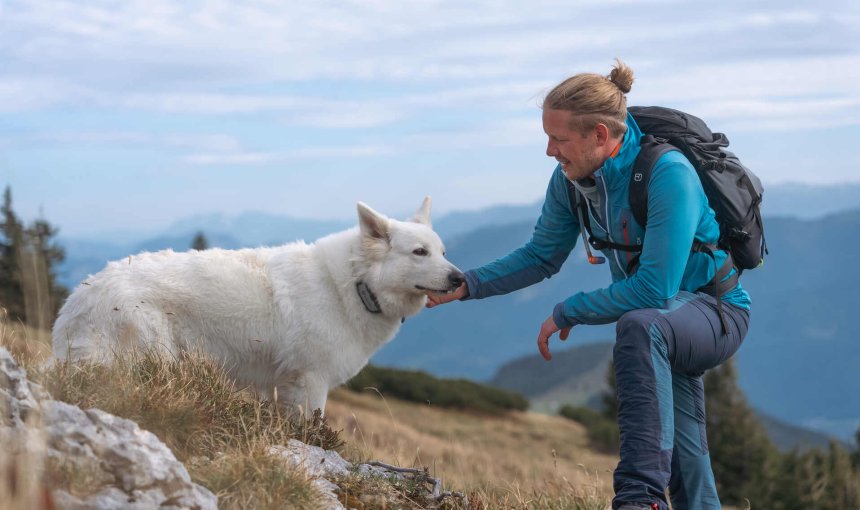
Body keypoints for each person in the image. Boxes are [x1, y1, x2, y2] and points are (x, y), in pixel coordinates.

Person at [426, 59, 750, 510]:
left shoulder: (668, 174)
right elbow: (541, 255)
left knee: (641, 326)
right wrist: (467, 283)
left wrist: (567, 310)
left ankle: (639, 500)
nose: (549, 151)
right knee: (689, 461)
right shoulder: (571, 182)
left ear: (599, 135)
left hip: (715, 314)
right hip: (666, 320)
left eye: (558, 139)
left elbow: (654, 291)